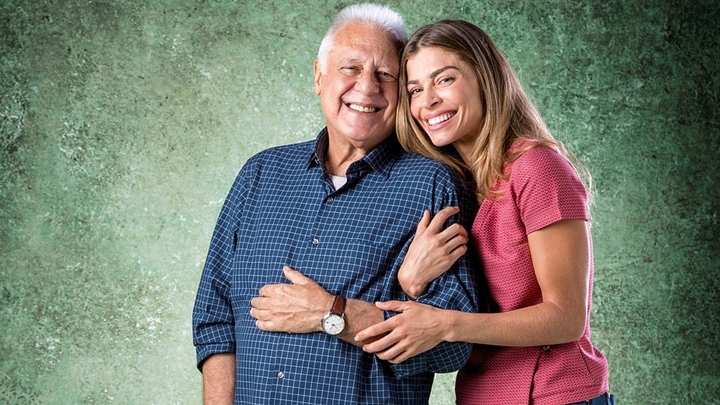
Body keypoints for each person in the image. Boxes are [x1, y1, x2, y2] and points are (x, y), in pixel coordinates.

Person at [192, 6, 479, 404]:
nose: (366, 87)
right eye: (351, 68)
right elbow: (215, 318)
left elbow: (452, 346)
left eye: (385, 75)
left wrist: (334, 314)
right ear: (318, 76)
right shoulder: (260, 174)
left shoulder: (432, 185)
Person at [355, 20, 614, 405]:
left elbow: (566, 317)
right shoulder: (450, 185)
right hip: (482, 395)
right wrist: (410, 280)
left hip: (553, 394)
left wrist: (447, 325)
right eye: (415, 90)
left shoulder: (537, 168)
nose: (428, 102)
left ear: (485, 77)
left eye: (444, 80)